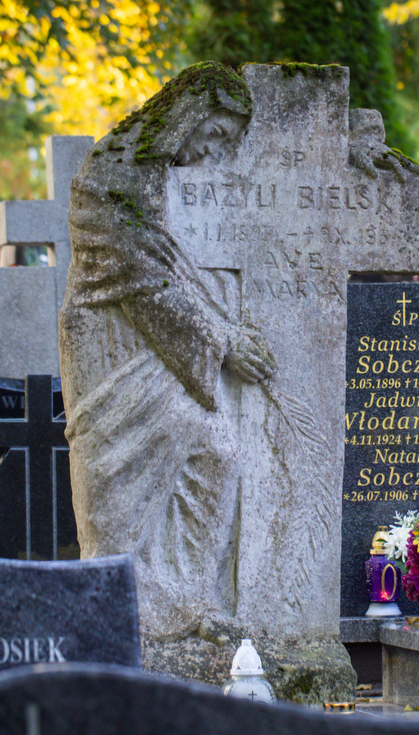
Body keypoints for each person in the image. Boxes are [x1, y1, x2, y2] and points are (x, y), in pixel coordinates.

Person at [60, 62, 274, 638]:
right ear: (191, 115)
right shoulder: (112, 171)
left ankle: (184, 603)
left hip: (167, 346)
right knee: (114, 484)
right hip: (113, 342)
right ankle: (113, 613)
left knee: (216, 451)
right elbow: (140, 278)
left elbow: (177, 274)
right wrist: (224, 342)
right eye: (217, 133)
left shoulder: (163, 177)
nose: (214, 149)